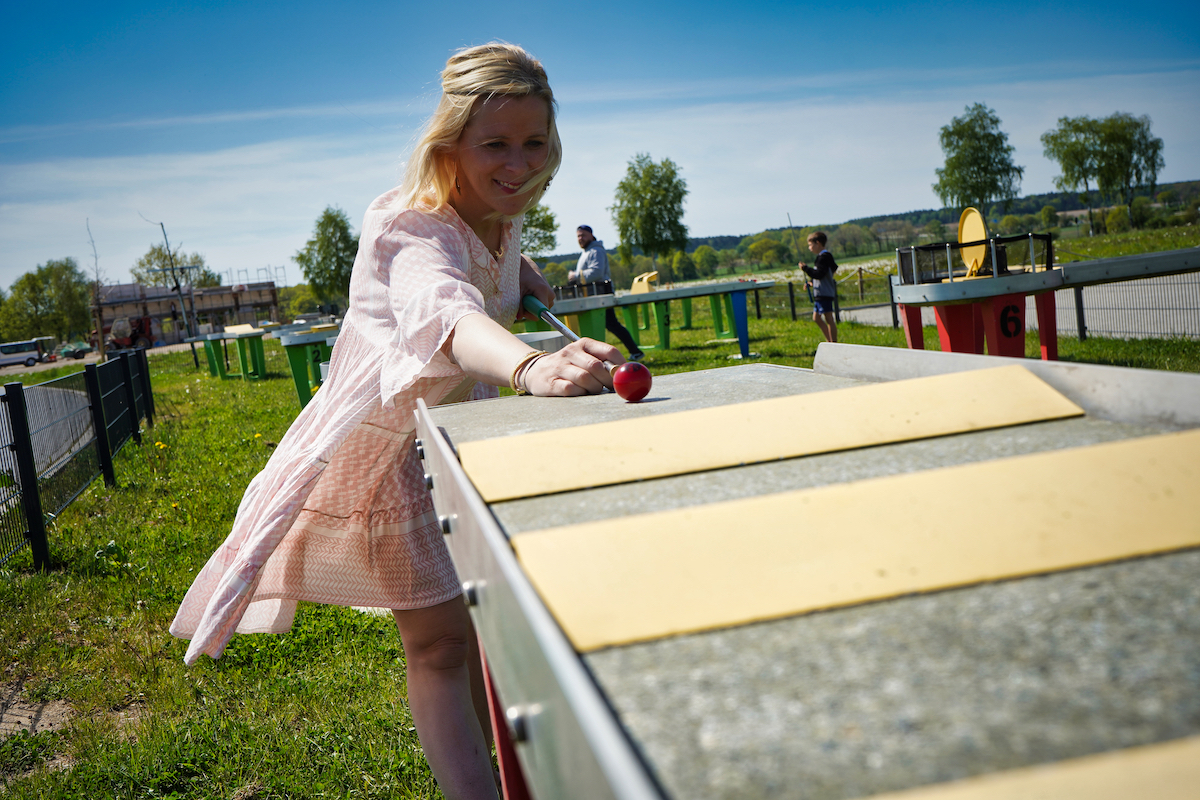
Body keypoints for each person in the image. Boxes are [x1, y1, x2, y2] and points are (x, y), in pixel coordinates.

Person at [169, 43, 623, 800]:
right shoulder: (409, 229)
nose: (519, 163)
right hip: (389, 461)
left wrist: (518, 275)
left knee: (475, 629)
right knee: (441, 644)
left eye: (533, 143)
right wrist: (531, 366)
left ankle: (506, 774)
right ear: (449, 145)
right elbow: (444, 314)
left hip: (452, 448)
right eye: (496, 145)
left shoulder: (496, 219)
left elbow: (483, 276)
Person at [568, 225, 645, 361]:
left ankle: (635, 352)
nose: (580, 238)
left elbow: (596, 272)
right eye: (578, 236)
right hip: (594, 294)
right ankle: (630, 352)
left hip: (602, 293)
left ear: (591, 235)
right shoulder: (586, 252)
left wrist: (575, 276)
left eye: (583, 235)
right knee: (609, 325)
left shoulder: (596, 251)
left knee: (612, 324)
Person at [800, 230, 839, 343]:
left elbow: (819, 274)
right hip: (820, 292)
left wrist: (806, 269)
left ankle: (833, 343)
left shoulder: (824, 257)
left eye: (810, 245)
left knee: (828, 318)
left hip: (824, 292)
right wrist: (813, 282)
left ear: (818, 243)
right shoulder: (823, 257)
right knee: (816, 318)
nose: (809, 248)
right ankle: (829, 341)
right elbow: (829, 270)